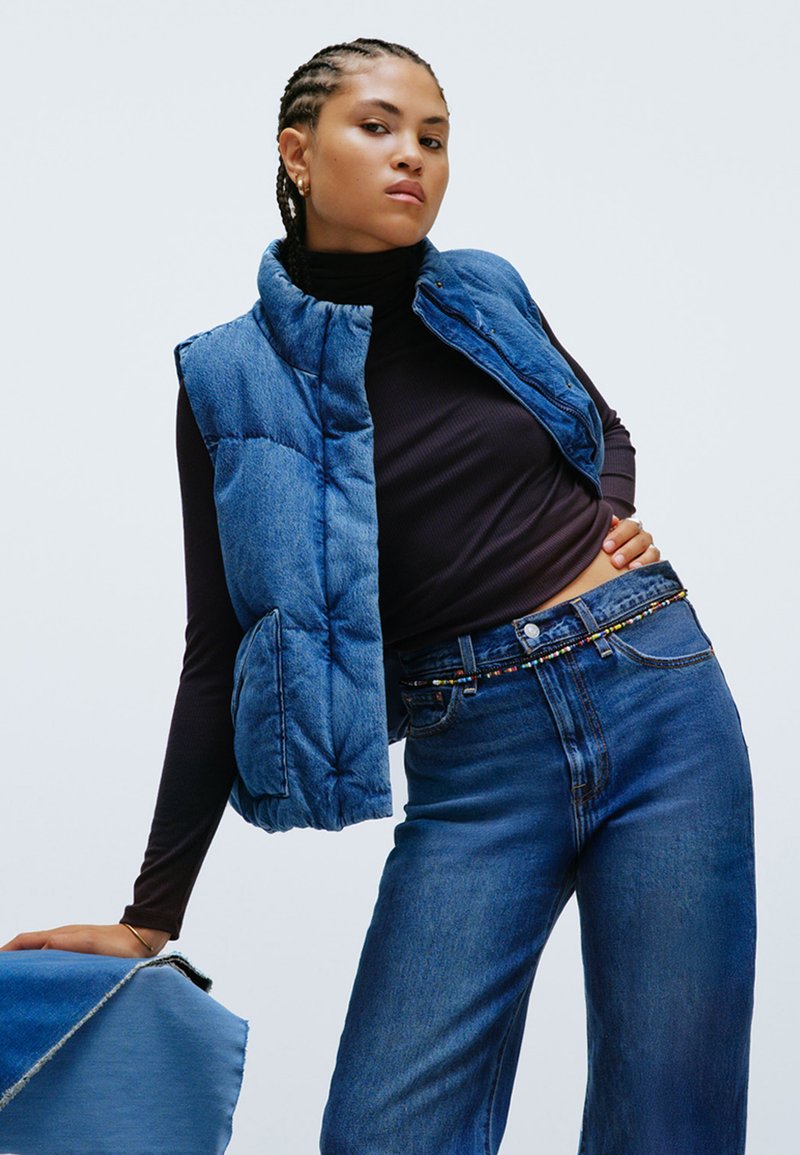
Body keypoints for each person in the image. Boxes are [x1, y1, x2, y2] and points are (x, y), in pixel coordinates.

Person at [2, 37, 756, 1154]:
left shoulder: (487, 287)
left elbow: (600, 427)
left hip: (655, 691)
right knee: (383, 1133)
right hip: (475, 752)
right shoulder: (226, 376)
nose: (414, 156)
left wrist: (612, 516)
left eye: (434, 138)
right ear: (296, 154)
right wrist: (151, 913)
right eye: (379, 127)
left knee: (671, 1125)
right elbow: (222, 644)